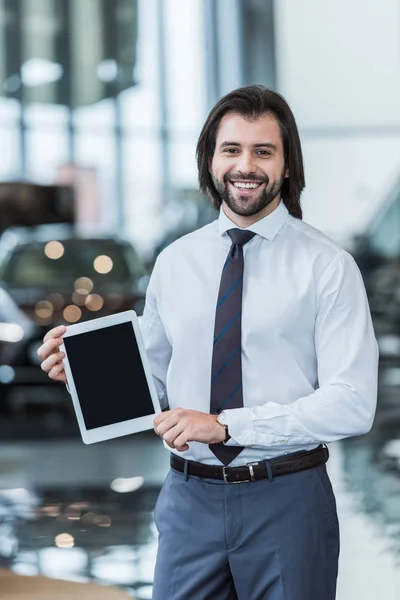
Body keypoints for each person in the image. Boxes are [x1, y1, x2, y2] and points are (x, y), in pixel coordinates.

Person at [38, 85, 379, 600]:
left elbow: (353, 404)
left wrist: (225, 426)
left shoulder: (327, 266)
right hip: (188, 500)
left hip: (288, 499)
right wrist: (83, 375)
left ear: (287, 166)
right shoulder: (176, 263)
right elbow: (152, 382)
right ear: (211, 161)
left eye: (263, 151)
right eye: (231, 149)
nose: (247, 165)